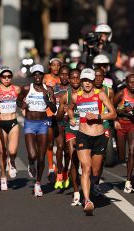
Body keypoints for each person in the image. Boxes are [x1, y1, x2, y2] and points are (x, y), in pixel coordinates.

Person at [68, 68, 116, 215]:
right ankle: (87, 199)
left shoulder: (100, 94)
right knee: (86, 167)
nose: (87, 83)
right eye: (85, 81)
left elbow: (113, 113)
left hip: (99, 136)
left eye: (89, 80)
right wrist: (72, 117)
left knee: (95, 171)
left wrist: (98, 117)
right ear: (81, 81)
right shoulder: (76, 96)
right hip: (83, 135)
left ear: (93, 81)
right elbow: (70, 109)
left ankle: (92, 186)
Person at [17, 64, 57, 197]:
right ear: (32, 76)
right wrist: (22, 105)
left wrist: (47, 100)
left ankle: (38, 183)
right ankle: (30, 162)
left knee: (41, 156)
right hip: (30, 123)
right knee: (33, 155)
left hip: (43, 123)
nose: (38, 76)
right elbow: (18, 101)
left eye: (40, 74)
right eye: (35, 74)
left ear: (43, 75)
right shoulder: (27, 88)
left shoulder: (48, 89)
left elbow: (54, 109)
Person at [56, 68, 82, 205]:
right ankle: (76, 193)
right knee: (73, 157)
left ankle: (89, 185)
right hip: (71, 129)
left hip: (86, 130)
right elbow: (58, 118)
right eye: (73, 78)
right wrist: (64, 109)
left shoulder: (87, 92)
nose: (75, 80)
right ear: (70, 80)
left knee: (86, 162)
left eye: (78, 78)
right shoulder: (65, 95)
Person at [0, 66, 21, 191]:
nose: (6, 79)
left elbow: (22, 102)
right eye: (4, 77)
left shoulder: (17, 89)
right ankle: (3, 177)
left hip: (13, 122)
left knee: (12, 151)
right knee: (3, 153)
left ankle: (12, 161)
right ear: (0, 78)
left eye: (9, 76)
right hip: (1, 123)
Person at [113, 74, 134, 193]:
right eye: (131, 82)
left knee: (132, 151)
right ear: (126, 83)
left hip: (133, 125)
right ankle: (119, 154)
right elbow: (111, 108)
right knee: (121, 155)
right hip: (120, 124)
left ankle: (128, 181)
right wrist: (116, 119)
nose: (133, 85)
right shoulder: (120, 94)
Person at [92, 67, 114, 195]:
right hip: (89, 125)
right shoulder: (87, 90)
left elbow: (113, 109)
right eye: (96, 76)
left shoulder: (109, 91)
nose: (98, 79)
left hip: (104, 124)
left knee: (102, 155)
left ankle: (96, 183)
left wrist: (114, 121)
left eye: (101, 76)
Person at [52, 66, 71, 189]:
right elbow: (51, 105)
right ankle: (59, 173)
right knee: (59, 146)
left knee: (68, 150)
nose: (64, 77)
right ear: (59, 75)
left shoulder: (73, 89)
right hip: (58, 121)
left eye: (66, 74)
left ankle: (65, 171)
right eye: (62, 74)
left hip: (70, 122)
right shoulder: (55, 88)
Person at [43, 58, 62, 182]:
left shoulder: (64, 78)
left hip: (61, 115)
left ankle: (62, 169)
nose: (56, 67)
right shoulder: (45, 78)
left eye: (58, 65)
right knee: (50, 143)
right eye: (53, 65)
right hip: (48, 113)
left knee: (61, 145)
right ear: (50, 66)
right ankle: (51, 167)